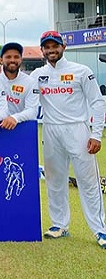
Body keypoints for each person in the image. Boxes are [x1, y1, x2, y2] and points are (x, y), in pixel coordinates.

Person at [31, 30, 106, 248]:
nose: (51, 50)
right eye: (47, 47)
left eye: (55, 46)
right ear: (42, 50)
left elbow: (98, 102)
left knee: (88, 182)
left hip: (78, 130)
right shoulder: (37, 74)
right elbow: (16, 85)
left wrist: (95, 134)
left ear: (63, 47)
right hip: (51, 130)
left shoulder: (81, 71)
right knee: (55, 181)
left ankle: (100, 230)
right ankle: (59, 225)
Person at [0, 42, 40, 130]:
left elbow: (32, 111)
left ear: (21, 59)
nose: (12, 60)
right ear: (1, 60)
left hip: (18, 128)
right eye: (8, 57)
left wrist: (15, 118)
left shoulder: (30, 82)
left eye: (16, 57)